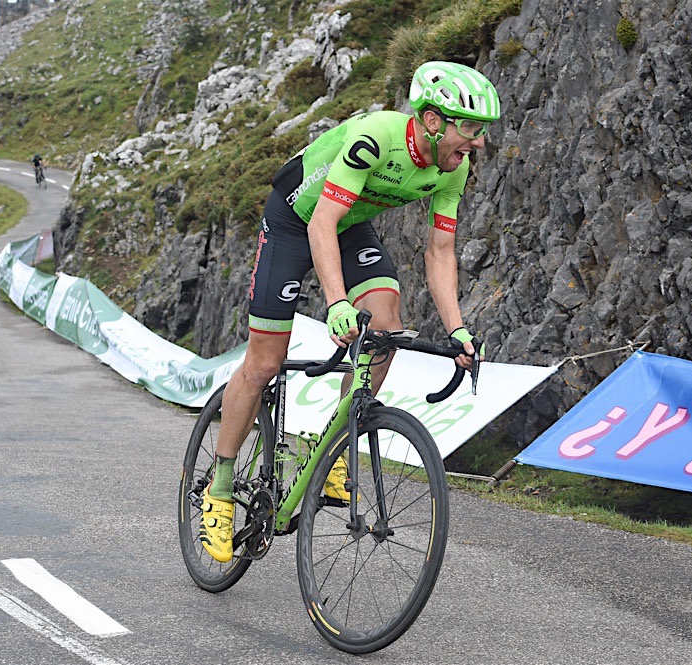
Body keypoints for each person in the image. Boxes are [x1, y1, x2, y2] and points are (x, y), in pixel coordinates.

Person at [198, 61, 501, 562]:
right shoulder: (374, 139)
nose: (479, 142)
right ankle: (221, 487)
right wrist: (337, 303)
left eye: (482, 131)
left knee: (386, 328)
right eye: (470, 129)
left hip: (349, 224)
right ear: (432, 121)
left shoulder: (454, 166)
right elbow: (321, 222)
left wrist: (459, 330)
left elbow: (440, 251)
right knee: (264, 363)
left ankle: (334, 444)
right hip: (297, 220)